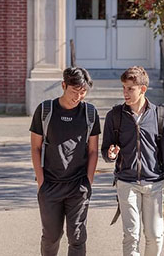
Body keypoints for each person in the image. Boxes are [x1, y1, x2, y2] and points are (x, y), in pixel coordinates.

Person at [101, 66, 164, 256]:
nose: (125, 93)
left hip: (154, 184)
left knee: (155, 235)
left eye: (130, 88)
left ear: (142, 89)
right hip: (126, 183)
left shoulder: (159, 115)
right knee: (131, 235)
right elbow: (106, 150)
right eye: (123, 88)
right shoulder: (115, 116)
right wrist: (110, 154)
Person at [30, 67, 101, 256]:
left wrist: (88, 181)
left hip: (78, 186)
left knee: (77, 237)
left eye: (83, 92)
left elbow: (93, 150)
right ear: (63, 85)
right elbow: (36, 148)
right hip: (50, 185)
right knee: (51, 236)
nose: (78, 97)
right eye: (74, 91)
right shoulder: (46, 110)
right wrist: (41, 181)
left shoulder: (90, 113)